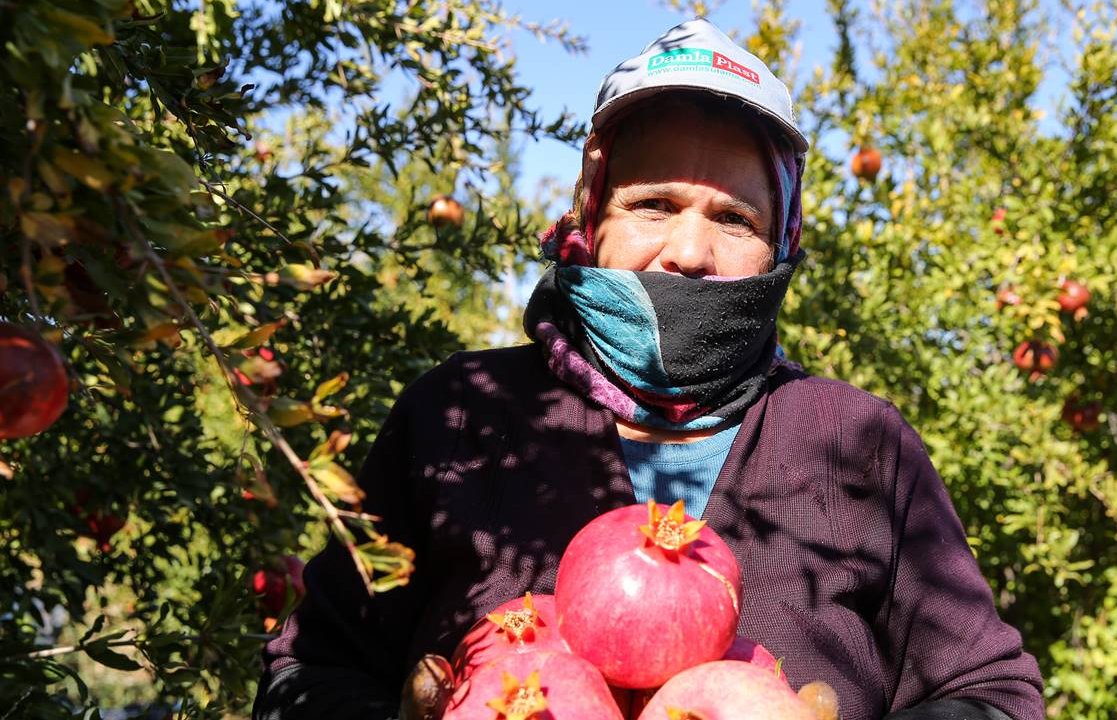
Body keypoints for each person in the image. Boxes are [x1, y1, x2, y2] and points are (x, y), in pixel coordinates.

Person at [253, 18, 1045, 720]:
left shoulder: (855, 442)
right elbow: (305, 672)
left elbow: (998, 695)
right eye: (654, 205)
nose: (690, 253)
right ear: (591, 215)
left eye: (736, 218)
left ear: (784, 242)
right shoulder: (459, 416)